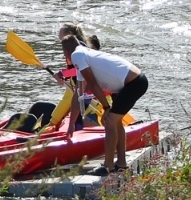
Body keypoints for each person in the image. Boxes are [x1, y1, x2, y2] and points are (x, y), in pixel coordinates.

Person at [59, 28, 148, 176]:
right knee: (116, 122)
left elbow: (93, 84)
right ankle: (121, 164)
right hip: (128, 83)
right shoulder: (83, 55)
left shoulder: (77, 55)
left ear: (66, 52)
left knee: (109, 121)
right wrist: (71, 126)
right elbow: (78, 95)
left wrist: (106, 107)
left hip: (133, 83)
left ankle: (107, 166)